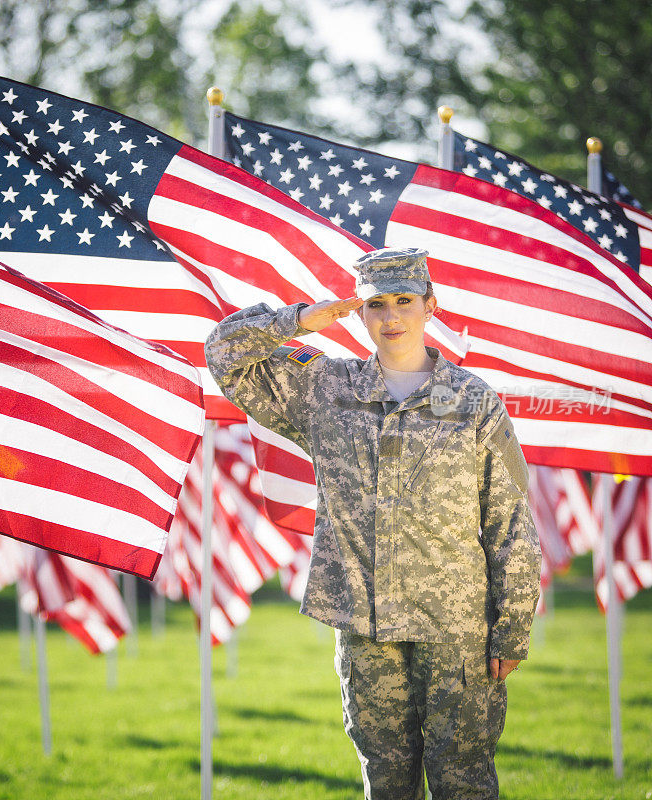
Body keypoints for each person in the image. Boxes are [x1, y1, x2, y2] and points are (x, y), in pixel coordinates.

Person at [204, 246, 541, 800]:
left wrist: (511, 628)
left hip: (455, 628)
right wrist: (299, 319)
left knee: (465, 782)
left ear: (429, 305)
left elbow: (509, 520)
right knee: (385, 784)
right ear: (358, 313)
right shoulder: (324, 391)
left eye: (404, 301)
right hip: (366, 625)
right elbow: (224, 352)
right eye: (375, 304)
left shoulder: (473, 401)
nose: (390, 318)